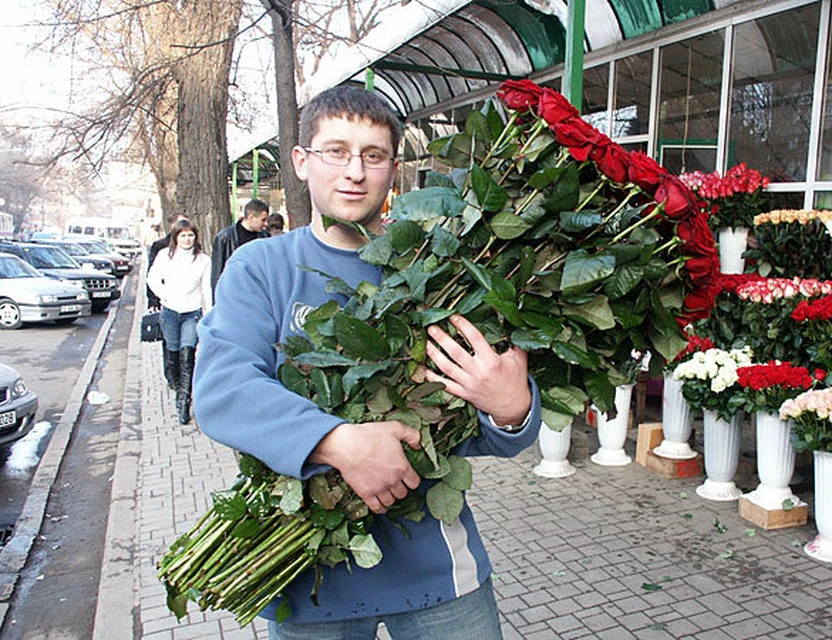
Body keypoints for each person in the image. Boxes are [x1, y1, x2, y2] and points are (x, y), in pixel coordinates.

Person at [193, 85, 541, 639]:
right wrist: (341, 443)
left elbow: (471, 431)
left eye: (372, 155)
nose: (354, 171)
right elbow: (222, 388)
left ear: (393, 169)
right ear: (302, 162)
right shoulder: (262, 266)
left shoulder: (434, 267)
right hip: (309, 586)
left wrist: (510, 410)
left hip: (440, 578)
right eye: (336, 150)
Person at [147, 218, 212, 425]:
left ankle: (185, 399)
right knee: (173, 354)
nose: (187, 239)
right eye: (183, 235)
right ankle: (176, 387)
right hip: (170, 311)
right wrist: (164, 295)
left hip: (191, 313)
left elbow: (206, 289)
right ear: (175, 237)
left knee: (187, 355)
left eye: (190, 235)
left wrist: (208, 313)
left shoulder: (203, 260)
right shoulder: (164, 256)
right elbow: (152, 278)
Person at [147, 214, 189, 389]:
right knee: (170, 342)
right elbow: (152, 275)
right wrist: (154, 299)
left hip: (189, 304)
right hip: (168, 303)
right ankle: (172, 376)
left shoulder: (194, 250)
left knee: (187, 345)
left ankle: (184, 381)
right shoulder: (160, 247)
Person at [210, 198, 270, 299]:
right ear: (251, 218)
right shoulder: (224, 238)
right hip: (233, 293)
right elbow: (217, 274)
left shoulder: (265, 237)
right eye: (263, 220)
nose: (266, 224)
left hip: (258, 293)